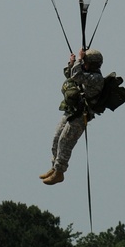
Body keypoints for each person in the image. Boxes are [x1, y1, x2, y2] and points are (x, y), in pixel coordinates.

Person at [40, 48, 105, 185]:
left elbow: (77, 76)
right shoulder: (86, 72)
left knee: (65, 141)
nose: (84, 64)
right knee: (56, 138)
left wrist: (79, 59)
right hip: (73, 111)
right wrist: (72, 63)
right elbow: (71, 74)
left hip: (81, 115)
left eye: (86, 62)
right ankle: (54, 167)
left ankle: (59, 173)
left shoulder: (96, 78)